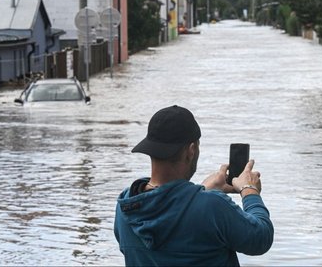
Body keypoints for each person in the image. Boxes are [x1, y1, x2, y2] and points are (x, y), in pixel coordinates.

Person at [114, 105, 274, 266]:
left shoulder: (126, 207)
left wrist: (199, 191)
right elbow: (261, 238)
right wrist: (249, 190)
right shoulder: (213, 207)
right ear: (191, 150)